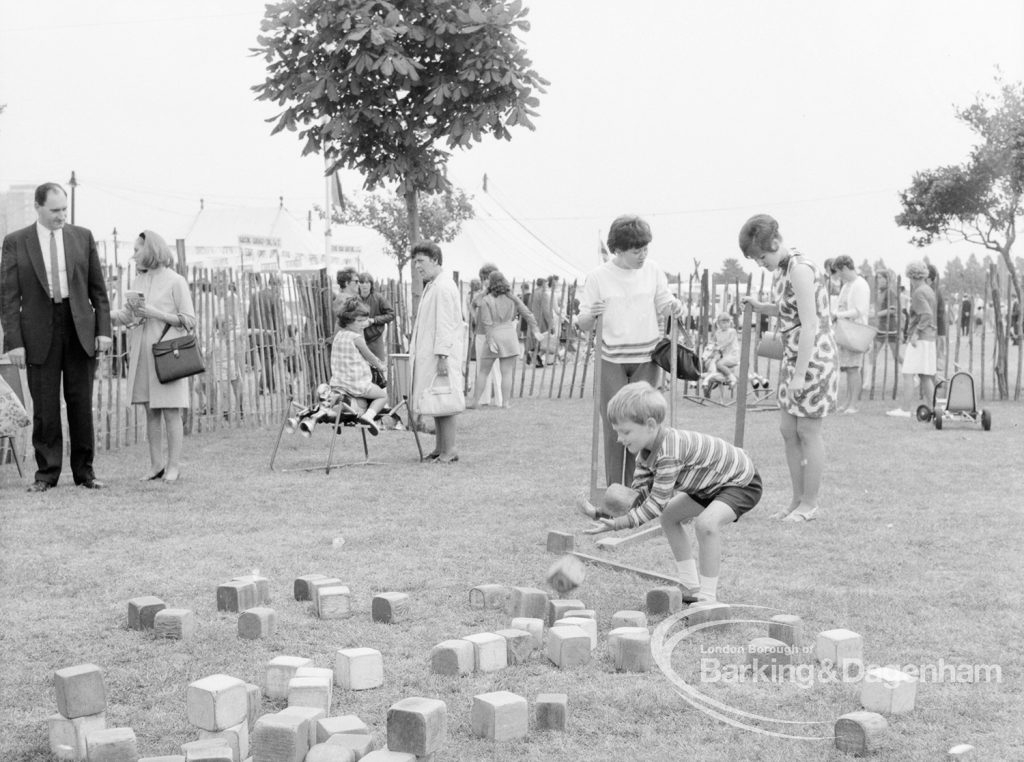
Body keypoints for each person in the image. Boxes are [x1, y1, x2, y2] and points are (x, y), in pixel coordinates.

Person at [583, 382, 762, 603]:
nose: (620, 439)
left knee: (706, 525)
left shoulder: (669, 453)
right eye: (618, 432)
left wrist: (621, 525)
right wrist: (601, 513)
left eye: (625, 431)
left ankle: (707, 598)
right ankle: (689, 584)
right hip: (707, 485)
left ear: (650, 425)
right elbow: (639, 497)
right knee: (669, 517)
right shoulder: (645, 454)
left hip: (739, 482)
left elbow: (656, 502)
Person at [0, 182, 111, 491]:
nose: (62, 215)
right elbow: (8, 298)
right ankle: (46, 474)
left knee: (80, 403)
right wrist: (15, 342)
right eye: (55, 211)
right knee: (45, 406)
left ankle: (84, 473)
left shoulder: (83, 237)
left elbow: (98, 291)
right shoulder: (15, 242)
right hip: (37, 332)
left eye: (64, 209)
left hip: (79, 328)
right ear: (38, 208)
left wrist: (103, 331)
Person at [739, 214, 837, 522]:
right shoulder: (781, 271)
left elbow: (810, 324)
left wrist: (798, 376)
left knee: (808, 430)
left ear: (776, 243)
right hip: (793, 354)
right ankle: (796, 501)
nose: (761, 263)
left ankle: (810, 503)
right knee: (787, 430)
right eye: (756, 260)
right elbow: (788, 311)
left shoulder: (800, 269)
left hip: (814, 359)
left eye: (762, 256)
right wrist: (760, 306)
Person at [577, 215, 683, 486]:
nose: (643, 255)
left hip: (646, 357)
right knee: (617, 425)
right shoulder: (598, 277)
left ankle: (646, 485)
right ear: (619, 249)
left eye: (646, 248)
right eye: (636, 250)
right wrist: (592, 315)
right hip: (610, 357)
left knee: (646, 422)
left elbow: (664, 302)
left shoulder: (653, 270)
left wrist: (674, 306)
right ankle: (616, 488)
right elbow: (582, 324)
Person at [110, 231, 196, 482]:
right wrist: (99, 313)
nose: (134, 254)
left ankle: (174, 466)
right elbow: (129, 316)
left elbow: (189, 320)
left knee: (171, 412)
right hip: (143, 354)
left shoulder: (176, 281)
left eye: (137, 249)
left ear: (150, 251)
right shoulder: (139, 281)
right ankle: (156, 465)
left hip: (168, 355)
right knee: (151, 411)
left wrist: (156, 313)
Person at [409, 241, 464, 463]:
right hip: (432, 353)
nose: (417, 266)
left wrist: (442, 355)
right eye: (415, 262)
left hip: (441, 355)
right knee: (437, 401)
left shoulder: (442, 287)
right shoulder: (434, 285)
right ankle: (440, 448)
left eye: (420, 261)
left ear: (435, 260)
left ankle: (449, 449)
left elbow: (444, 324)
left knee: (445, 400)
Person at [467, 271, 541, 409]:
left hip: (494, 335)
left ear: (490, 283)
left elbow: (486, 321)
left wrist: (489, 341)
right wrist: (535, 329)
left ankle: (475, 402)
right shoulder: (513, 298)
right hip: (509, 335)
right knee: (506, 373)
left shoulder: (486, 300)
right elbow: (527, 313)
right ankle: (505, 403)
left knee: (483, 371)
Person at [328, 297, 389, 434]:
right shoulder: (357, 339)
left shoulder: (339, 336)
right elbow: (370, 357)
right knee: (382, 396)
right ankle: (369, 417)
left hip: (339, 382)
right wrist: (380, 366)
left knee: (353, 402)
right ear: (349, 321)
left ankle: (338, 414)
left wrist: (364, 322)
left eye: (364, 321)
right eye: (359, 321)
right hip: (356, 383)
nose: (363, 324)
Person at [887, 261, 936, 418]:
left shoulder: (918, 293)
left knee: (908, 373)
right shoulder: (929, 290)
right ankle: (933, 408)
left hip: (920, 338)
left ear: (911, 276)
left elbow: (926, 314)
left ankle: (905, 409)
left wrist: (916, 333)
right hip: (929, 338)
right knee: (926, 375)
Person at [832, 256, 870, 413]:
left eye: (840, 272)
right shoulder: (847, 285)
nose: (839, 275)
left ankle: (853, 404)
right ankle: (847, 402)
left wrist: (838, 315)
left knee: (854, 368)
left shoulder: (860, 285)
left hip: (855, 331)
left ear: (845, 268)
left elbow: (859, 310)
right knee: (848, 368)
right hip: (845, 330)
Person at [247, 274, 283, 394]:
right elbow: (278, 319)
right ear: (275, 284)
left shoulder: (254, 296)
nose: (280, 288)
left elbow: (249, 315)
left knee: (267, 360)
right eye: (280, 285)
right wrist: (280, 335)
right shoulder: (274, 297)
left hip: (257, 334)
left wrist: (250, 332)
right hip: (270, 334)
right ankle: (271, 387)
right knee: (268, 360)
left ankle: (262, 386)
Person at [356, 272, 394, 364]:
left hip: (375, 338)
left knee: (378, 366)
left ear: (371, 284)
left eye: (367, 282)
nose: (364, 285)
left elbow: (391, 314)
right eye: (362, 282)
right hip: (357, 338)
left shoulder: (379, 298)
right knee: (361, 367)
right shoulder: (354, 299)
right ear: (358, 284)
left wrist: (373, 320)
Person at [701, 312, 740, 395]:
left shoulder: (732, 331)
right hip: (723, 356)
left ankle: (733, 379)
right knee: (709, 363)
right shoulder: (718, 333)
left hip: (732, 355)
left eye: (727, 322)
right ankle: (709, 385)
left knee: (719, 364)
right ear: (718, 324)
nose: (726, 325)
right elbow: (712, 342)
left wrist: (720, 347)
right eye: (723, 323)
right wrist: (710, 348)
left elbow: (729, 341)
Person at [926, 264, 947, 381]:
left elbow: (935, 313)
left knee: (934, 357)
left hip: (937, 330)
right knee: (933, 357)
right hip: (936, 329)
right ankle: (935, 379)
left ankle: (936, 380)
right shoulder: (932, 290)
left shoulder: (933, 291)